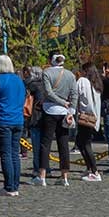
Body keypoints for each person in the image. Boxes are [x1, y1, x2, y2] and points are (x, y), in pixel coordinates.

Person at [37, 54, 77, 187]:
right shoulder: (71, 75)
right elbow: (74, 94)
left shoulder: (46, 73)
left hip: (50, 110)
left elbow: (48, 92)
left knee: (45, 143)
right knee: (63, 144)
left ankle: (42, 175)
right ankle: (64, 176)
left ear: (51, 61)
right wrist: (71, 110)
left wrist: (61, 102)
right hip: (65, 113)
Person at [0, 55, 25, 197]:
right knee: (15, 154)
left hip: (3, 119)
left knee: (5, 154)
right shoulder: (19, 81)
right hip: (18, 119)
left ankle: (9, 186)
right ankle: (15, 185)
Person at [74, 63, 104, 182]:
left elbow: (75, 94)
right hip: (93, 117)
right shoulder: (97, 83)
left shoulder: (82, 81)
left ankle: (95, 171)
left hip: (85, 116)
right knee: (81, 142)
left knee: (85, 144)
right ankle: (90, 168)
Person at [22, 66, 45, 169]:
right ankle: (45, 168)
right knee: (44, 146)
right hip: (45, 116)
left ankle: (37, 168)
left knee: (36, 145)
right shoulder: (46, 85)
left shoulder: (32, 85)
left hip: (35, 117)